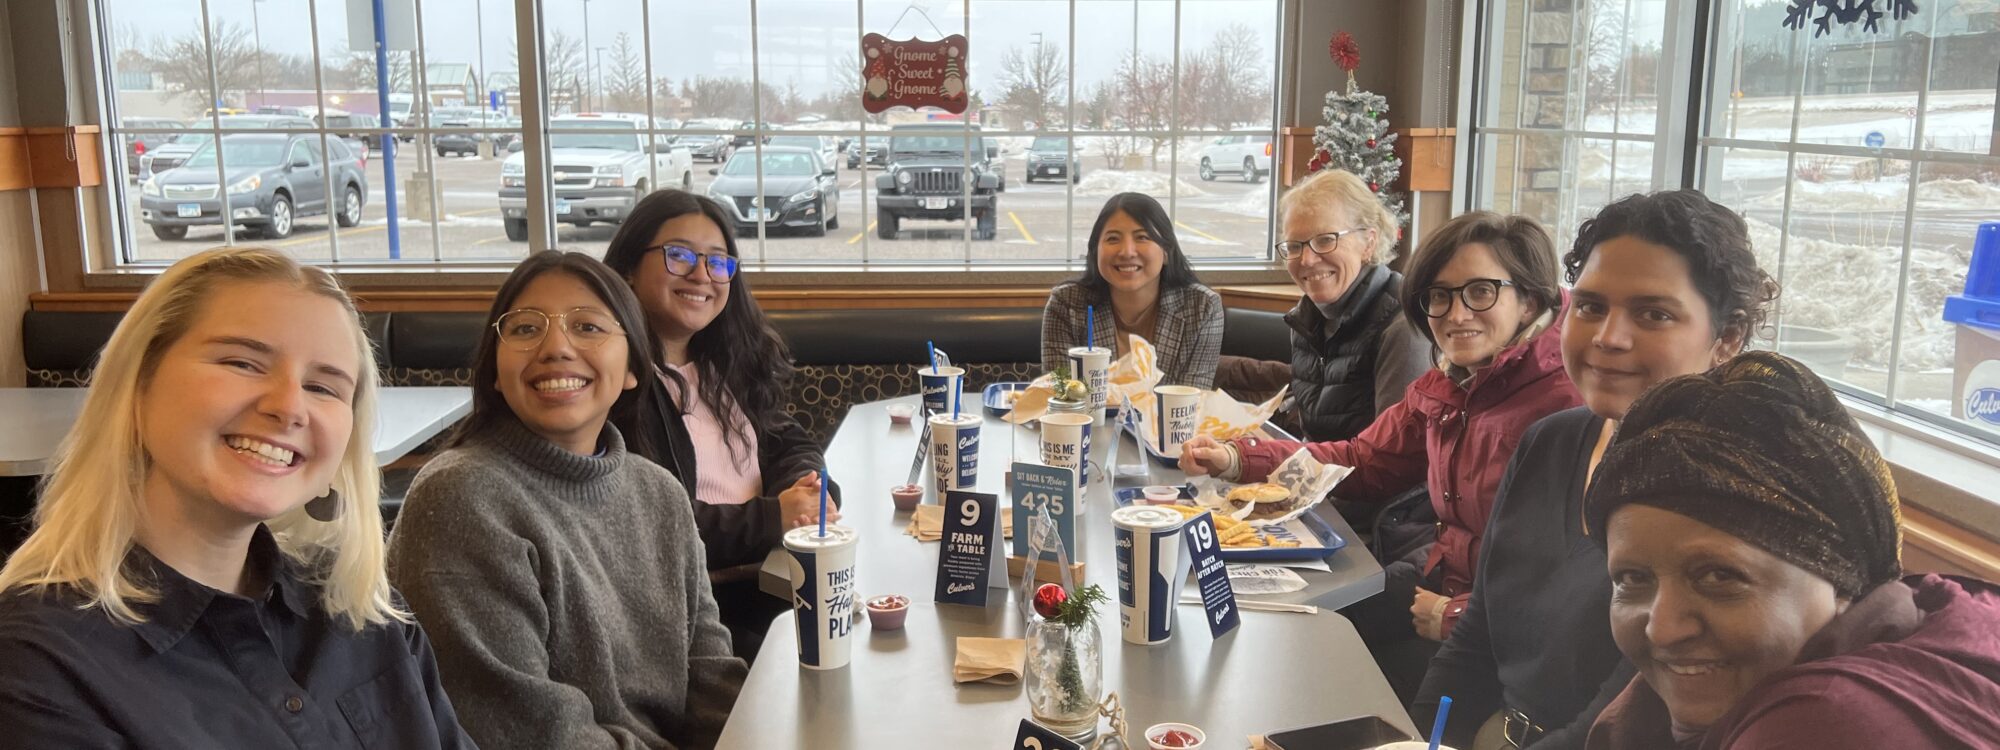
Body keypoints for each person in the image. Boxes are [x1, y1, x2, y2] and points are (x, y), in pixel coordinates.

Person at [0, 247, 472, 748]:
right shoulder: (38, 668)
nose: (290, 408)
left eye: (322, 387)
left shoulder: (364, 614)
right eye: (243, 363)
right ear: (138, 384)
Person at [1415, 190, 1779, 749]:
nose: (1609, 337)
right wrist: (1420, 740)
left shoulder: (1726, 496)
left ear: (1726, 339)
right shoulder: (1549, 442)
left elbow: (1623, 721)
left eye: (1653, 314)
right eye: (1590, 307)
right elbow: (1474, 641)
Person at [1181, 210, 1582, 701]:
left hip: (1496, 625)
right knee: (1287, 630)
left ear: (1530, 300)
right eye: (1439, 296)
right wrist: (1238, 459)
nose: (1455, 314)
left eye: (1480, 292)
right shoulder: (1447, 382)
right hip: (1437, 575)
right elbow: (1362, 459)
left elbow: (1569, 574)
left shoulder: (1569, 404)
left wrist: (1456, 615)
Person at [388, 251, 746, 749]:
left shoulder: (658, 491)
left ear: (632, 368)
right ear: (495, 369)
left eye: (588, 327)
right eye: (525, 329)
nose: (555, 346)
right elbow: (530, 734)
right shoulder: (461, 499)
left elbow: (710, 674)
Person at [1582, 351, 2000, 749]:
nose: (1663, 629)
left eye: (1718, 576)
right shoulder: (1920, 616)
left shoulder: (1826, 724)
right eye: (1633, 578)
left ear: (1841, 579)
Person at [601, 189, 839, 660]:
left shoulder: (719, 361)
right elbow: (645, 524)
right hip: (712, 610)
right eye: (679, 255)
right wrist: (775, 517)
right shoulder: (616, 386)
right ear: (628, 267)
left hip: (776, 577)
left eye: (718, 262)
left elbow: (784, 436)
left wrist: (806, 491)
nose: (701, 275)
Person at [1219, 169, 1430, 442]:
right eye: (1295, 246)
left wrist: (1269, 458)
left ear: (1369, 241)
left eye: (1325, 240)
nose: (1306, 259)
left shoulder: (1403, 329)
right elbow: (1316, 434)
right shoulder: (1308, 316)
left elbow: (1393, 460)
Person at [1042, 192, 1224, 388]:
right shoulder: (1066, 304)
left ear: (1166, 252)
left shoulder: (1202, 307)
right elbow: (1061, 396)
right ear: (1095, 252)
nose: (1127, 252)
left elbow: (1190, 403)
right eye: (1113, 239)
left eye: (1142, 237)